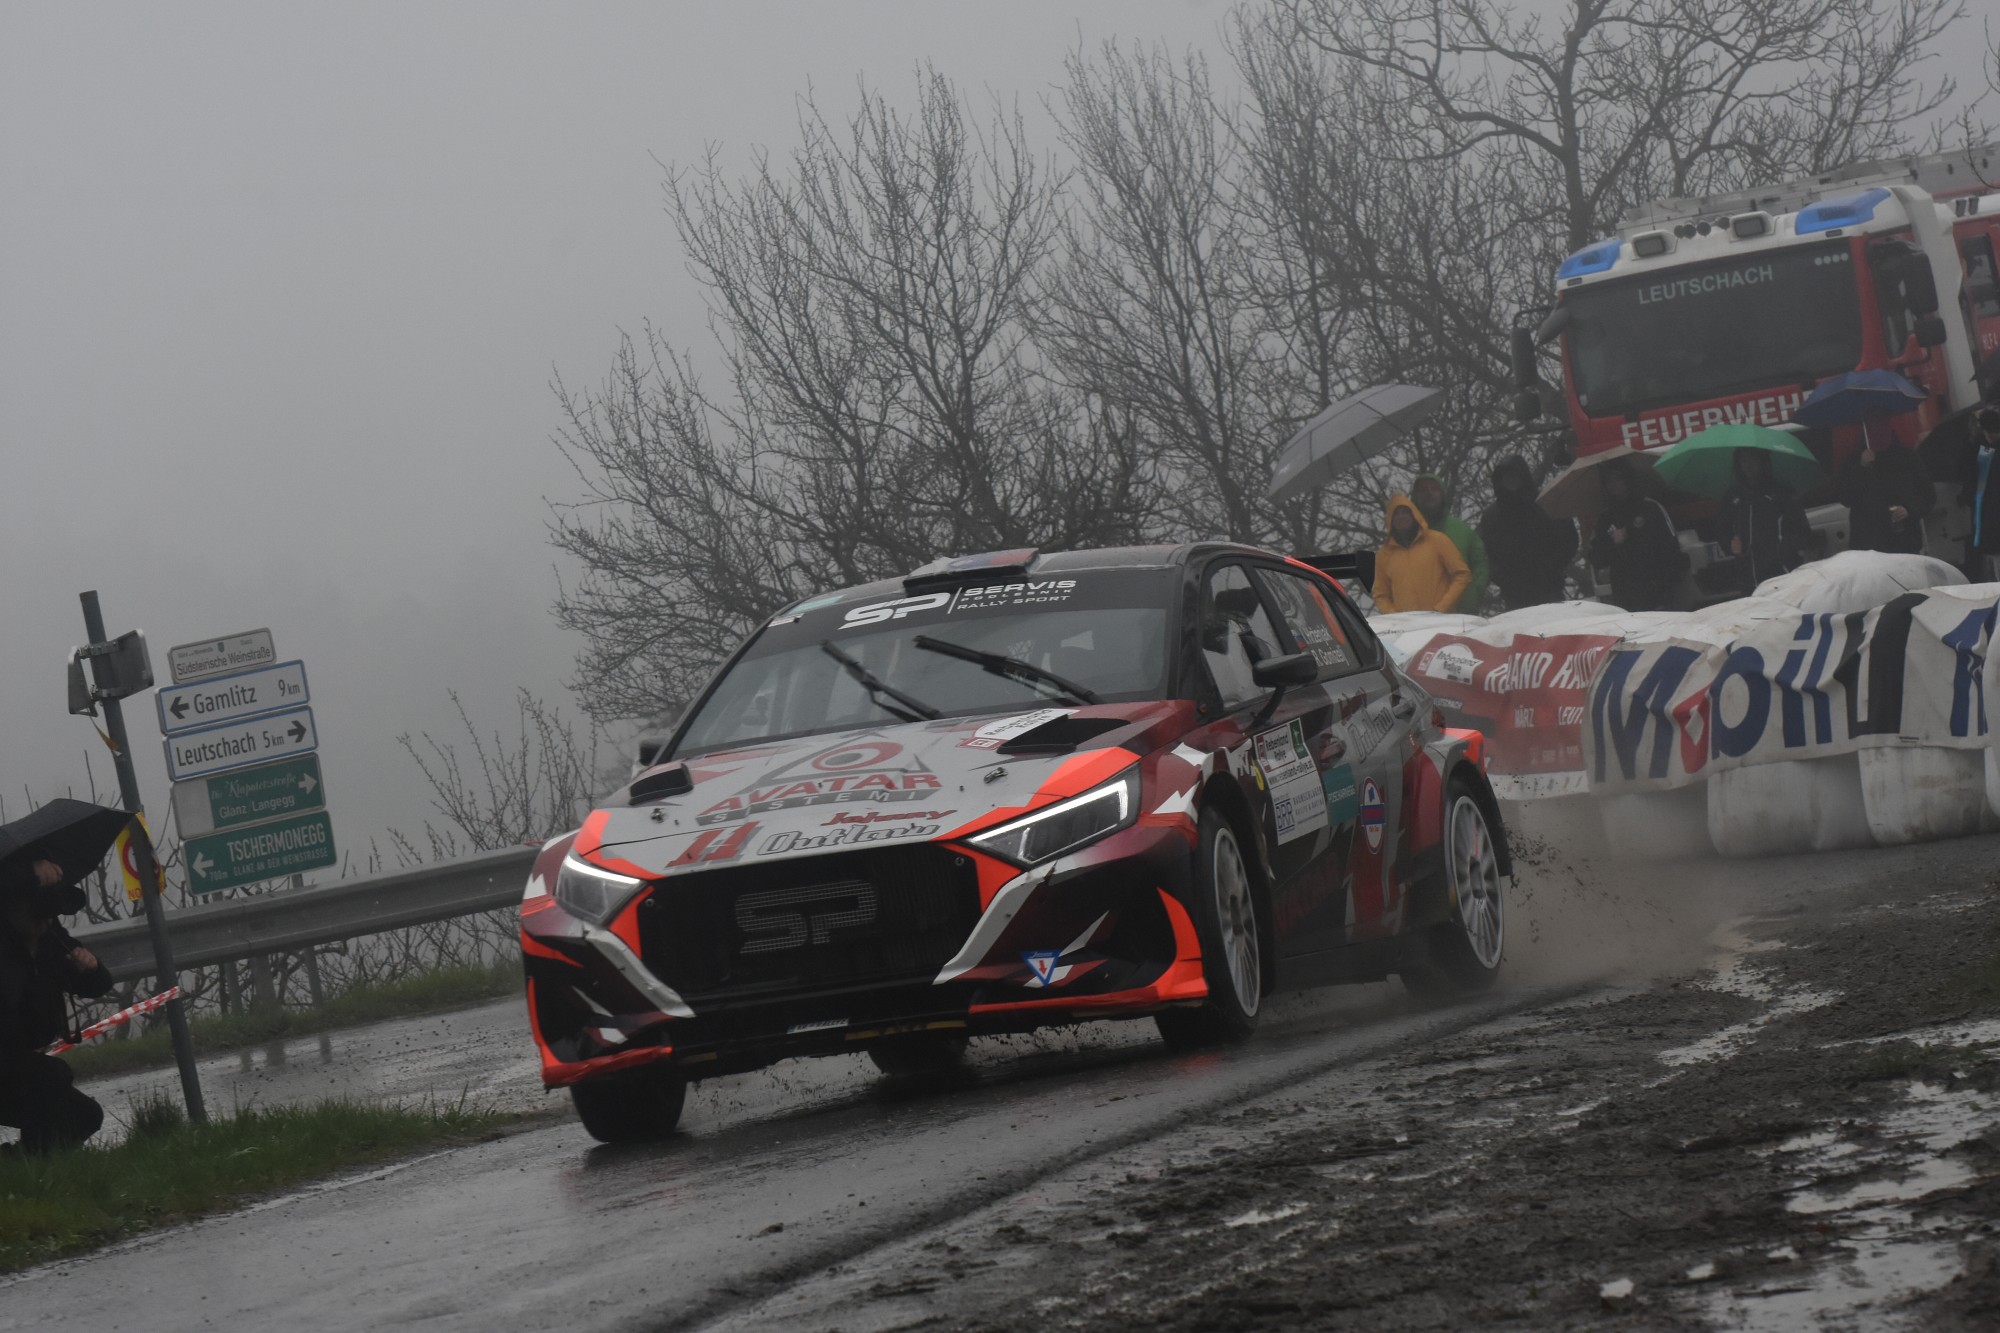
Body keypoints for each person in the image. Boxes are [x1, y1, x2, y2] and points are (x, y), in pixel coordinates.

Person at [0, 858, 113, 1153]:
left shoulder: (50, 942)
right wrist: (27, 872)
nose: (43, 920)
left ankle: (22, 1162)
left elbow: (98, 985)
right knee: (49, 1077)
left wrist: (89, 969)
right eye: (36, 911)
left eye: (49, 914)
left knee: (82, 1116)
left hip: (13, 1065)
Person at [1478, 455, 1578, 610]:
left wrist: (1551, 568)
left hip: (1549, 587)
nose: (1511, 481)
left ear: (1523, 476)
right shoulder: (1492, 517)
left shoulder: (1546, 504)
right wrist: (1504, 578)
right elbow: (1486, 554)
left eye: (1514, 476)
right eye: (1507, 477)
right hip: (1514, 594)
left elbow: (1568, 540)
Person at [1588, 459, 1685, 611]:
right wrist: (1612, 541)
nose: (1614, 484)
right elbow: (1596, 558)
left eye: (1618, 479)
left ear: (1628, 479)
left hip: (1657, 588)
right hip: (1626, 593)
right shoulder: (1605, 518)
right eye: (1609, 481)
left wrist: (1668, 582)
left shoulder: (1650, 507)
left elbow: (1670, 544)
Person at [1836, 424, 1934, 554]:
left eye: (1882, 428)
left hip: (1905, 542)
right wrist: (1861, 468)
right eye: (1874, 430)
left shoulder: (1908, 457)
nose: (1879, 435)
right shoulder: (1853, 462)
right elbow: (1846, 498)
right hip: (1868, 545)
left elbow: (1928, 495)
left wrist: (1909, 509)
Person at [1722, 448, 1811, 589]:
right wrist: (1729, 544)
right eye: (1743, 460)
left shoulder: (1781, 490)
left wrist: (1783, 551)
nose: (1748, 465)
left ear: (1762, 461)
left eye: (1753, 459)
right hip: (1747, 578)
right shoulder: (1733, 495)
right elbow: (1723, 529)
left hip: (1780, 574)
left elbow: (1800, 529)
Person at [1373, 492, 1472, 613]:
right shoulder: (1384, 554)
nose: (1401, 516)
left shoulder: (1437, 540)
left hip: (1442, 619)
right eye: (1396, 514)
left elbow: (1461, 574)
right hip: (1407, 623)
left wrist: (1442, 607)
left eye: (1405, 512)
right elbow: (1380, 595)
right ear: (1390, 520)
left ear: (1414, 515)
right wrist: (1395, 616)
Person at [1411, 473, 1490, 613]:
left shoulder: (1462, 530)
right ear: (1415, 497)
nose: (1429, 493)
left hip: (1461, 614)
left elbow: (1480, 564)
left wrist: (1473, 594)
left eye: (1434, 488)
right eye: (1423, 490)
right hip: (1420, 617)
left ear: (1443, 495)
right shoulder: (1407, 536)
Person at [1965, 405, 2000, 580]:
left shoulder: (1982, 453)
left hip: (1989, 527)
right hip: (1990, 527)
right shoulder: (1980, 451)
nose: (1989, 436)